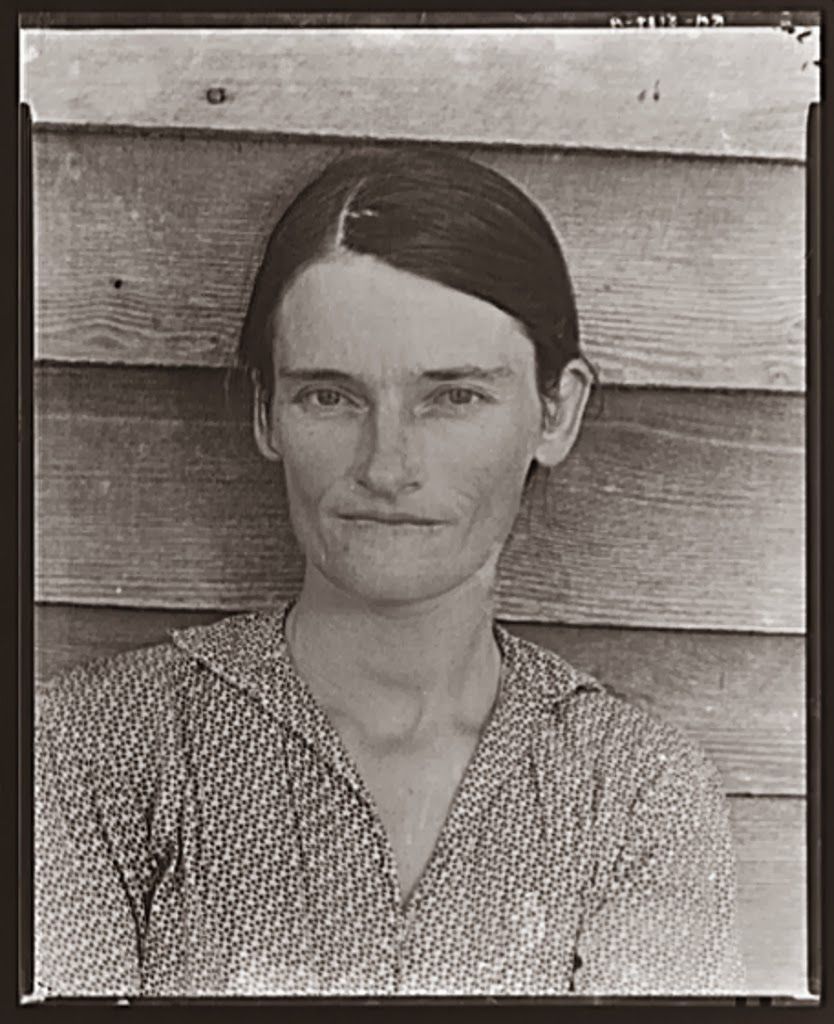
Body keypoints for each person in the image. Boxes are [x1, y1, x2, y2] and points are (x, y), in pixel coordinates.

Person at [33, 148, 746, 998]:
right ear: (268, 413)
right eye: (330, 397)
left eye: (453, 397)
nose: (387, 465)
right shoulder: (89, 750)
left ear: (556, 413)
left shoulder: (634, 792)